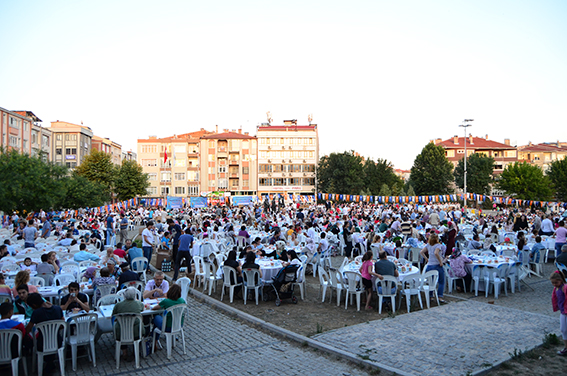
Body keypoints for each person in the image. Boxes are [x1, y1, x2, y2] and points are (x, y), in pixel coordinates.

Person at [112, 287, 144, 360]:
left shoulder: (118, 305)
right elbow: (143, 308)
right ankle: (136, 350)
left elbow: (113, 316)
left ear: (124, 295)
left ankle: (124, 352)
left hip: (121, 333)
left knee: (121, 326)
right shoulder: (138, 304)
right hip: (136, 332)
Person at [420, 233, 448, 304]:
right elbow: (436, 253)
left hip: (430, 265)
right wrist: (440, 261)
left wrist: (426, 259)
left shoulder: (428, 245)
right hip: (437, 265)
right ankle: (439, 296)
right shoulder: (438, 245)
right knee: (441, 281)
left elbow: (421, 252)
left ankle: (431, 295)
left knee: (431, 281)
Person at [550, 271, 567, 356]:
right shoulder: (555, 288)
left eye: (556, 282)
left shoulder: (564, 287)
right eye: (553, 283)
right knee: (563, 330)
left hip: (566, 311)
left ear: (561, 280)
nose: (554, 284)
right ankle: (566, 347)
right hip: (563, 311)